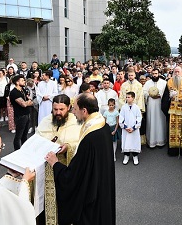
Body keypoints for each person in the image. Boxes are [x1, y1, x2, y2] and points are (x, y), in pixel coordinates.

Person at [44, 93, 115, 225]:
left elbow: (74, 176)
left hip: (92, 197)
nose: (73, 113)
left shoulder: (90, 138)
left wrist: (56, 164)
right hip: (102, 186)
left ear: (84, 111)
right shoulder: (102, 124)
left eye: (75, 109)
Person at [36, 94, 80, 225]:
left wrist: (68, 147)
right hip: (45, 172)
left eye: (61, 109)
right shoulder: (45, 121)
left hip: (65, 171)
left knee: (64, 207)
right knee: (45, 204)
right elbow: (36, 139)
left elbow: (81, 145)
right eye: (55, 109)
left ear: (69, 107)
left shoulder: (76, 122)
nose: (58, 113)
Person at [161, 66, 182, 156]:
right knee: (172, 130)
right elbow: (165, 96)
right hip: (172, 110)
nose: (177, 74)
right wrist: (169, 97)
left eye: (178, 72)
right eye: (175, 72)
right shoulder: (169, 82)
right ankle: (173, 150)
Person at [143, 68, 167, 148]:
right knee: (151, 121)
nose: (154, 75)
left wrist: (160, 95)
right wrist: (150, 94)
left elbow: (166, 93)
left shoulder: (164, 83)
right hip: (151, 105)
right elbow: (144, 92)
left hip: (160, 104)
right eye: (153, 73)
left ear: (159, 74)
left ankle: (161, 141)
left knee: (160, 122)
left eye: (156, 73)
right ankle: (151, 141)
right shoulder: (147, 83)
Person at [9, 75, 34, 150]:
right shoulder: (14, 92)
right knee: (18, 136)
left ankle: (24, 150)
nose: (24, 82)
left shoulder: (23, 90)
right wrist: (28, 102)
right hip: (20, 116)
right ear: (17, 82)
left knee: (25, 135)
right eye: (22, 80)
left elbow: (30, 101)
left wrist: (28, 102)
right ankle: (16, 151)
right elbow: (24, 104)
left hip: (27, 114)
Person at [119, 92, 142, 165]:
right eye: (126, 97)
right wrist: (125, 127)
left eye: (129, 97)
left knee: (134, 141)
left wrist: (134, 127)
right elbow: (121, 117)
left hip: (134, 129)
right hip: (126, 129)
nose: (127, 98)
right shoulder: (123, 107)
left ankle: (135, 156)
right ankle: (126, 156)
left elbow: (139, 117)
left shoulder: (136, 107)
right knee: (126, 142)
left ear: (133, 98)